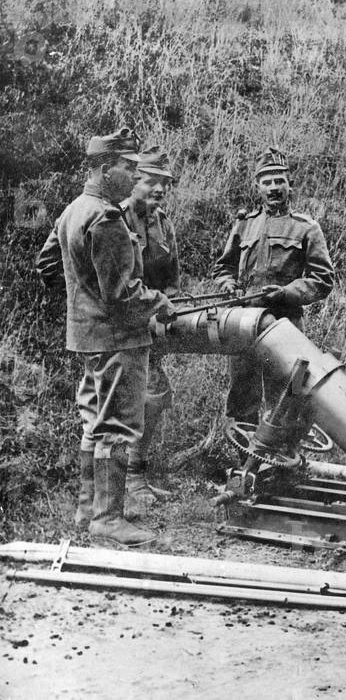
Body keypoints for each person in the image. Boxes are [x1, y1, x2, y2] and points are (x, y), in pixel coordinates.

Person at [35, 128, 174, 546]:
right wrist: (159, 302)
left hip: (87, 336)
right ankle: (108, 519)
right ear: (101, 168)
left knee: (94, 421)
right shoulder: (107, 217)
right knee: (117, 427)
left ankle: (85, 507)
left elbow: (47, 268)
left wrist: (84, 300)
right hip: (119, 339)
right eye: (126, 167)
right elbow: (123, 294)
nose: (133, 176)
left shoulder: (72, 210)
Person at [211, 147, 335, 427]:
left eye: (279, 181)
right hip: (243, 325)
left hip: (284, 325)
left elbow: (323, 279)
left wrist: (287, 293)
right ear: (258, 187)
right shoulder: (244, 225)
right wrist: (228, 283)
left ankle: (278, 464)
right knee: (242, 396)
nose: (274, 187)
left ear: (290, 185)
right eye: (267, 182)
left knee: (283, 399)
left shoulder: (306, 228)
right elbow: (222, 267)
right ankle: (245, 459)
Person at [118, 146, 178, 516]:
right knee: (133, 400)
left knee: (153, 396)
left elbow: (171, 280)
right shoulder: (116, 219)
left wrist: (167, 308)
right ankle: (126, 483)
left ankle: (136, 476)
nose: (159, 189)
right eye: (151, 180)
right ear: (133, 181)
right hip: (120, 329)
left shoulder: (162, 222)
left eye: (165, 184)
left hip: (150, 328)